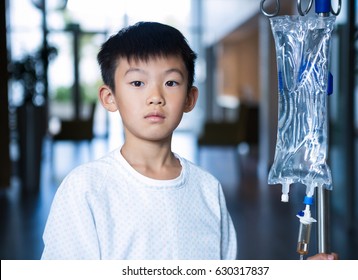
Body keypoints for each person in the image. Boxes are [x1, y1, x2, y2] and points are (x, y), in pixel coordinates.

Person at [41, 21, 338, 261]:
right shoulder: (86, 189)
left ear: (189, 98)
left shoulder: (207, 188)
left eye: (171, 82)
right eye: (137, 83)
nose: (155, 96)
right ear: (109, 97)